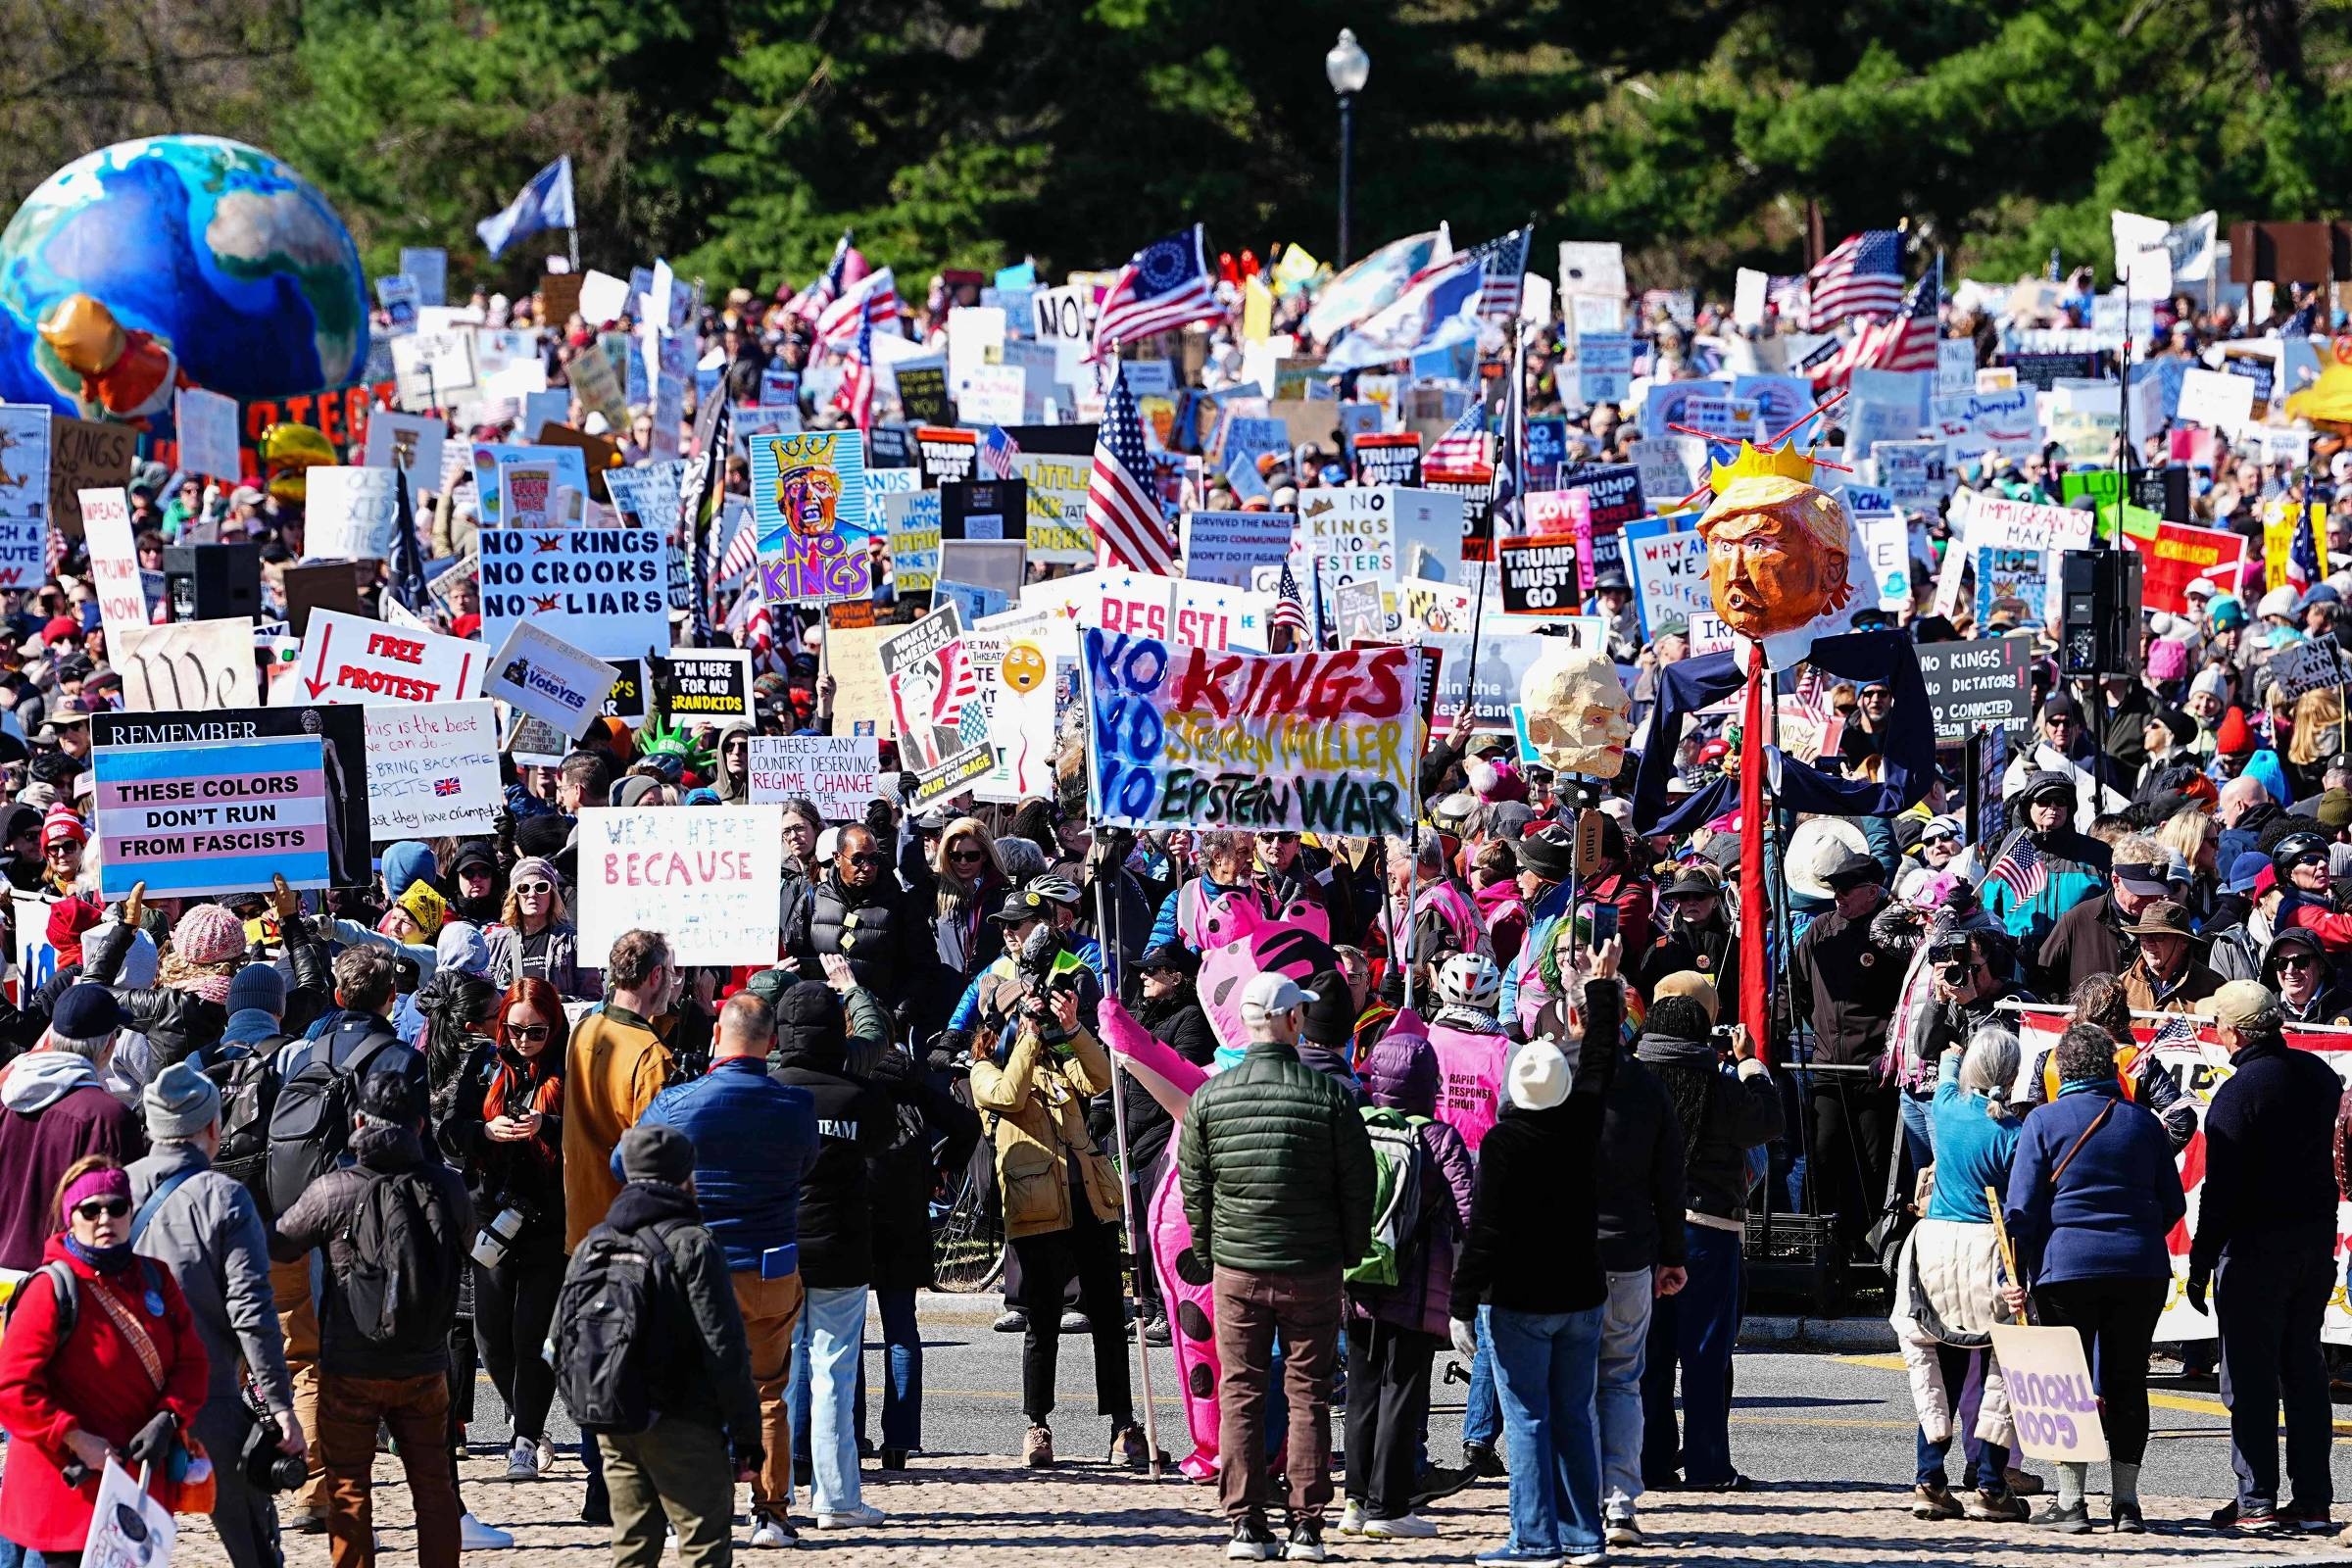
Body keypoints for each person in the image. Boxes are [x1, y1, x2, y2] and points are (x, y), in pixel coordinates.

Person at [1178, 971, 1375, 1563]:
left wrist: (1212, 1251)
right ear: (1293, 1021)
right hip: (1311, 1264)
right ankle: (1308, 1525)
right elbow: (1357, 1185)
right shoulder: (1330, 1096)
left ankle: (1245, 1522)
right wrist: (1348, 1249)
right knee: (1307, 1394)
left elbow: (1196, 1186)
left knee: (1241, 1390)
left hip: (1237, 1266)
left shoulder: (1211, 1096)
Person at [1450, 940, 1622, 1568]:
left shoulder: (1504, 1142)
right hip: (1580, 1293)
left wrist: (1461, 1303)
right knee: (1576, 1415)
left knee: (1526, 1421)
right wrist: (1603, 990)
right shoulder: (1581, 1121)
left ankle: (1535, 1539)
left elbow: (1486, 1231)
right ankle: (1584, 1535)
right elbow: (1602, 1061)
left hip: (1519, 1299)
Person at [635, 991, 819, 1545]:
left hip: (694, 1265)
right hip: (769, 1265)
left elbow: (628, 1162)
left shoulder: (676, 1103)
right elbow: (805, 1165)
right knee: (768, 1392)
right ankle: (771, 1513)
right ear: (774, 1043)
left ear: (717, 1036)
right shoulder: (795, 1106)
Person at [271, 1069, 472, 1568]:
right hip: (426, 1365)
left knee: (348, 1490)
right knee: (435, 1489)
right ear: (421, 1126)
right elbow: (469, 1247)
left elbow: (280, 1243)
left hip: (350, 1365)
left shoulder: (333, 1190)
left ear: (358, 1120)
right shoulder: (447, 1187)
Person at [2002, 1023, 2187, 1534]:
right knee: (2128, 1380)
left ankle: (2072, 1502)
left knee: (2070, 1383)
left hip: (2066, 1269)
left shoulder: (2043, 1121)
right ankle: (2127, 1504)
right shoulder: (2145, 1124)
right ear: (2110, 1069)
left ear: (2064, 1071)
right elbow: (2173, 1204)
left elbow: (2020, 1211)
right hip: (2140, 1268)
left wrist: (2014, 1270)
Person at [128, 1062, 305, 1568]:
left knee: (120, 1539)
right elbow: (251, 1309)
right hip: (209, 1393)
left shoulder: (117, 1187)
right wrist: (278, 1404)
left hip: (127, 1392)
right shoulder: (225, 1198)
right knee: (250, 1541)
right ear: (213, 1128)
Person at [970, 970, 1144, 1471]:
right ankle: (1038, 1424)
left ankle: (1122, 1424)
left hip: (1090, 1204)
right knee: (1042, 1321)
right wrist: (1025, 1035)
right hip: (1038, 1212)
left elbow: (1100, 1078)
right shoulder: (983, 1068)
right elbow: (1007, 1096)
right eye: (1025, 1012)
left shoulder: (1055, 1057)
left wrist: (1071, 1029)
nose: (1035, 1020)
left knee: (1109, 1318)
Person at [0, 1156, 211, 1562]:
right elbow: (12, 1387)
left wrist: (169, 1418)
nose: (104, 1218)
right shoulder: (50, 1289)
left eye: (116, 1207)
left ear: (130, 1212)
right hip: (65, 1493)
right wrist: (75, 1438)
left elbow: (192, 1363)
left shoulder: (156, 1278)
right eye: (90, 1209)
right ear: (71, 1217)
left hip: (135, 1491)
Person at [571, 1123, 763, 1568]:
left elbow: (565, 1338)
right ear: (685, 1177)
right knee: (703, 1545)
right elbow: (725, 1347)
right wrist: (747, 1436)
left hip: (614, 1419)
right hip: (683, 1418)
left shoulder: (593, 1243)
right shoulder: (694, 1244)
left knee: (633, 1545)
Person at [2187, 980, 2341, 1533]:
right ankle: (2313, 1499)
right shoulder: (2319, 1077)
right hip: (2313, 1243)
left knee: (2250, 1378)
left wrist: (2201, 1264)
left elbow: (2220, 1194)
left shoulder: (2237, 1096)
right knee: (2303, 1369)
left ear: (2234, 1033)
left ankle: (2256, 1500)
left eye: (2218, 1023)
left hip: (2255, 1249)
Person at [1636, 992, 1780, 1496]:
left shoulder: (1635, 1085)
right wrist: (1749, 1064)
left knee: (1648, 1357)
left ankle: (1650, 1462)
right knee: (1704, 1356)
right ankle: (1708, 1465)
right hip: (1709, 1229)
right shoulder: (1720, 1088)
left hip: (1646, 1232)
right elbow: (1767, 1120)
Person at [1339, 1023, 1475, 1542]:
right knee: (1403, 1388)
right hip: (1416, 1286)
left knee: (1362, 1387)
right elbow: (1469, 1210)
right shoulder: (1438, 1137)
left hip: (1356, 1279)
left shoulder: (1357, 1125)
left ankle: (1354, 1500)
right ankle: (1389, 1505)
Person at [1892, 1028, 2028, 1525]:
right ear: (2012, 1076)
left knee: (1938, 1366)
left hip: (1935, 1246)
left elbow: (1947, 1066)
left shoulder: (1947, 1109)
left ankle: (1929, 1479)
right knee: (2001, 1371)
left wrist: (1954, 1051)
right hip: (1989, 1249)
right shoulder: (2014, 1135)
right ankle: (1992, 1486)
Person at [768, 982, 890, 1530]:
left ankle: (772, 1496)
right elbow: (884, 1144)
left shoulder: (768, 1093)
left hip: (779, 1249)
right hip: (841, 1248)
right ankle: (836, 1498)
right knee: (834, 1377)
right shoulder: (857, 1095)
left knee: (777, 1378)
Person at [438, 977, 568, 1483]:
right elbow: (451, 1131)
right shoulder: (483, 1064)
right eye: (515, 1030)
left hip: (546, 1216)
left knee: (532, 1331)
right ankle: (520, 1412)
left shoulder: (566, 1067)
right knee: (489, 1335)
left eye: (535, 1032)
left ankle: (525, 1437)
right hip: (490, 1215)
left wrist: (548, 1126)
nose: (524, 1040)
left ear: (552, 1026)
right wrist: (484, 1132)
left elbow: (587, 1129)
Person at [1590, 967, 1690, 1547]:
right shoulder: (1647, 1089)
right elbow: (1668, 1182)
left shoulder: (1560, 1079)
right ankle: (1619, 1501)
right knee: (1621, 1379)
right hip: (1629, 1253)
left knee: (1578, 1380)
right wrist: (1671, 1254)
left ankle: (1587, 1500)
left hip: (1580, 1254)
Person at [1787, 847, 1905, 1257]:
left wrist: (1888, 1051)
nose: (1838, 896)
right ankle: (1817, 1247)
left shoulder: (1894, 931)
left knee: (1875, 1165)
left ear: (1872, 892)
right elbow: (1793, 990)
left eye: (1846, 889)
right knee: (1821, 1159)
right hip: (1827, 1067)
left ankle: (1874, 1249)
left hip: (1875, 1070)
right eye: (1834, 888)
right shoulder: (1819, 931)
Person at [0, 984, 138, 1272]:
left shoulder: (4, 1095)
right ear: (109, 1045)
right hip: (64, 1285)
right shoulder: (109, 1117)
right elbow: (117, 1219)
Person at [564, 931, 679, 1252]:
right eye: (670, 974)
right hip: (626, 1235)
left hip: (581, 1224)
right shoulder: (652, 1057)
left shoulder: (585, 1029)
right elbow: (651, 1159)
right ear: (656, 975)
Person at [483, 857, 601, 1000]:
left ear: (552, 894)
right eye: (524, 888)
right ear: (515, 895)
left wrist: (557, 1002)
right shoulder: (494, 944)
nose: (532, 894)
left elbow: (593, 999)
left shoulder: (574, 942)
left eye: (541, 887)